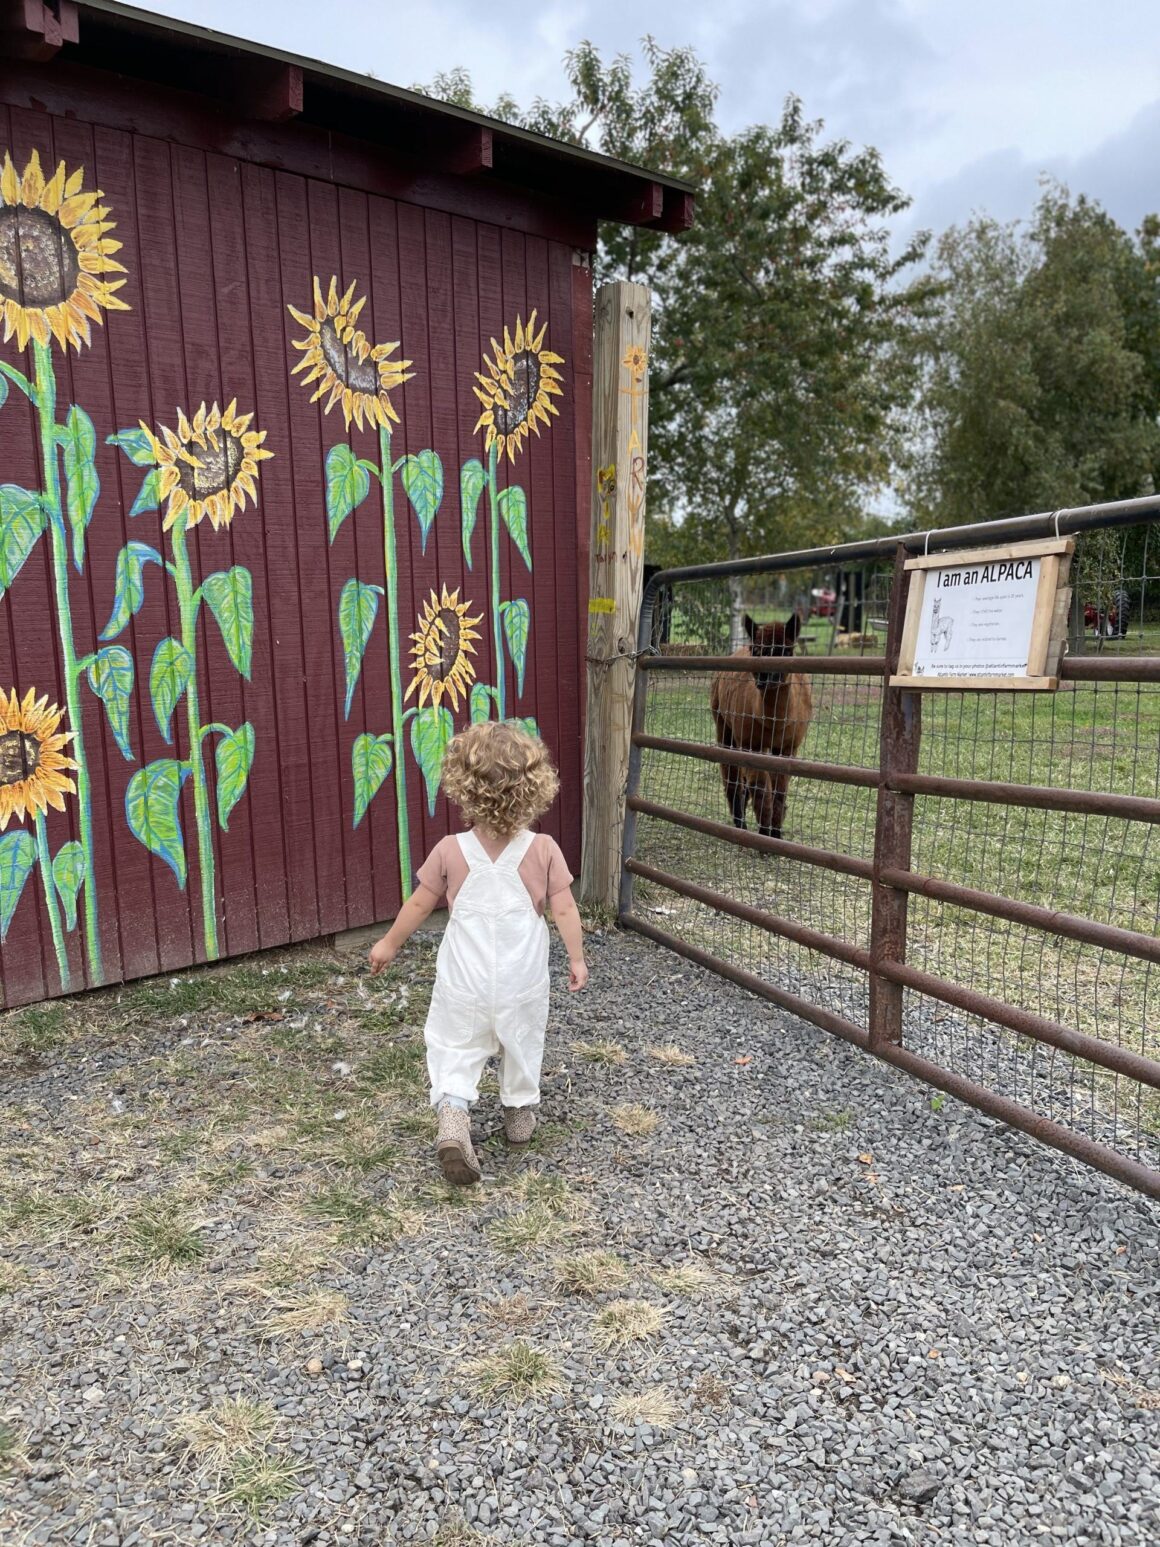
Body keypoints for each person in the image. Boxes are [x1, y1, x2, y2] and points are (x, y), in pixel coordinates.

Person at [368, 721, 588, 1184]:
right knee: (523, 1039)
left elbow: (420, 902)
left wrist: (389, 943)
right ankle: (518, 1114)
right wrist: (576, 957)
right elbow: (564, 909)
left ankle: (453, 1112)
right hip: (521, 981)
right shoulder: (544, 850)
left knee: (455, 1044)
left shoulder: (451, 850)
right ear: (536, 788)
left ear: (463, 788)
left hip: (463, 982)